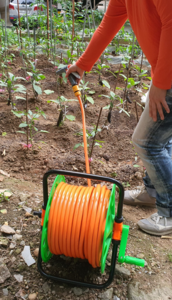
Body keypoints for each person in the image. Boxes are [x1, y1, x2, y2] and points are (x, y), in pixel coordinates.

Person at [66, 0, 172, 236]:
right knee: (161, 139)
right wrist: (83, 64)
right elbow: (108, 24)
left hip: (169, 77)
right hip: (165, 74)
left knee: (148, 142)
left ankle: (169, 212)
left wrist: (162, 84)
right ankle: (153, 193)